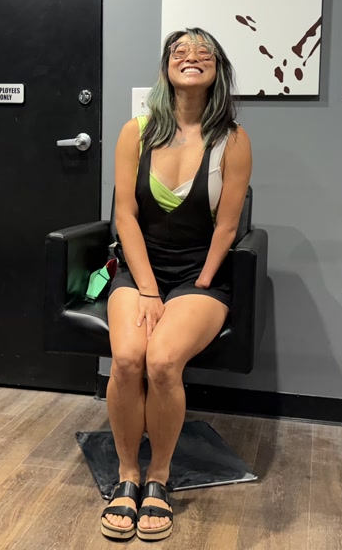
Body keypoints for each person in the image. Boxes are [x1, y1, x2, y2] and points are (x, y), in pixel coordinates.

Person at [99, 27, 252, 542]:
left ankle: (159, 478)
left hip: (200, 278)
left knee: (163, 361)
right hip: (141, 274)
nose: (191, 57)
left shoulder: (233, 138)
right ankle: (127, 475)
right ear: (166, 67)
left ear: (216, 69)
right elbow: (124, 214)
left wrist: (199, 283)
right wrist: (147, 289)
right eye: (180, 51)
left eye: (202, 51)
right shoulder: (134, 132)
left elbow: (229, 227)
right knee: (127, 358)